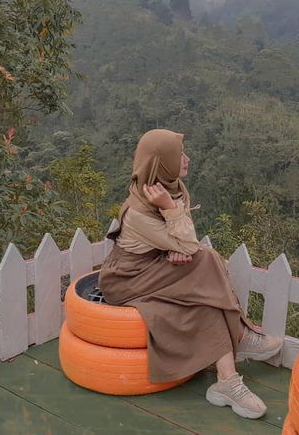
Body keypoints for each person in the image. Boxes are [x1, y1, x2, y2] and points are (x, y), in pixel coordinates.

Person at [99, 129, 282, 419]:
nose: (187, 159)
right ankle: (241, 335)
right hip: (129, 280)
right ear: (162, 163)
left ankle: (227, 383)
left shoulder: (172, 188)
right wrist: (173, 218)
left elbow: (185, 242)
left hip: (155, 265)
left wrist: (177, 242)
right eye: (179, 155)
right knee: (208, 259)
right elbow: (189, 243)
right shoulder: (140, 211)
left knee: (205, 297)